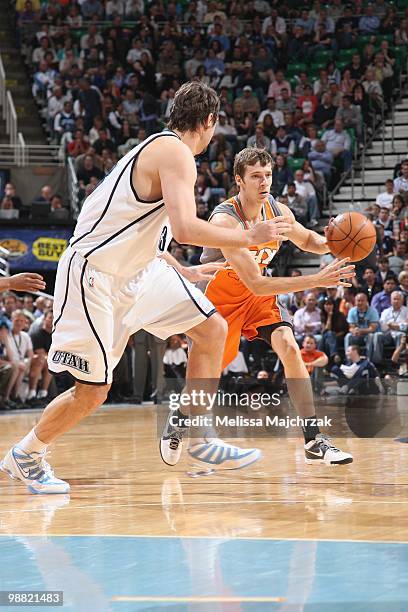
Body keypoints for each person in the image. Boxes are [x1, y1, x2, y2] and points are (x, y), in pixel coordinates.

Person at [1, 82, 289, 494]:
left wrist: (183, 272)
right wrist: (251, 235)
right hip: (95, 274)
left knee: (211, 329)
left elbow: (154, 236)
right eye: (214, 125)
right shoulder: (175, 153)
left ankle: (198, 434)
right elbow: (188, 229)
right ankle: (26, 455)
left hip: (141, 272)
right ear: (208, 121)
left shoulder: (164, 152)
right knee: (93, 392)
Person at [202, 147, 355, 465]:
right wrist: (315, 281)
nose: (264, 182)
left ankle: (313, 439)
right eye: (255, 176)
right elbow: (255, 281)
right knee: (206, 375)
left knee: (289, 347)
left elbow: (308, 241)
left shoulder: (277, 210)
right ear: (239, 181)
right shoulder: (225, 221)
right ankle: (181, 418)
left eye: (268, 175)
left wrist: (335, 242)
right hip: (222, 298)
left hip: (256, 297)